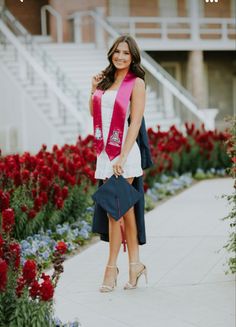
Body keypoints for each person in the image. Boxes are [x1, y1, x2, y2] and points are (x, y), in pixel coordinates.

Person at [89, 35, 152, 292]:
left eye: (126, 53)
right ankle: (135, 264)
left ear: (133, 57)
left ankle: (111, 269)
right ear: (111, 54)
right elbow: (94, 115)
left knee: (114, 211)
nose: (121, 57)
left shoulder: (136, 84)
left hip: (123, 154)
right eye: (117, 52)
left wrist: (123, 156)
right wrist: (92, 90)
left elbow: (135, 122)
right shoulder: (104, 81)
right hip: (105, 153)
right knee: (123, 211)